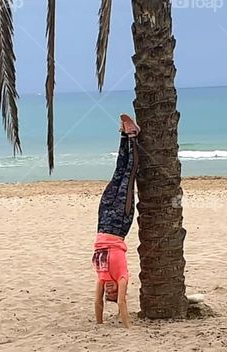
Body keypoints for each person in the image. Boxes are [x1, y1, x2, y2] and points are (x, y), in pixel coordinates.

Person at [92, 114, 140, 327]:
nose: (110, 290)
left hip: (103, 222)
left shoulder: (102, 276)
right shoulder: (122, 276)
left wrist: (100, 323)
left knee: (117, 174)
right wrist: (128, 326)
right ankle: (132, 136)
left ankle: (122, 135)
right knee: (129, 175)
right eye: (113, 292)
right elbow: (121, 302)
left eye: (107, 292)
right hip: (121, 222)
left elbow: (96, 301)